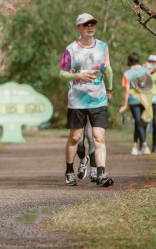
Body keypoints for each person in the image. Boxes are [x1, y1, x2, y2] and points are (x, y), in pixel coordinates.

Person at [59, 13, 114, 187]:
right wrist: (77, 75)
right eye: (86, 25)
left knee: (99, 137)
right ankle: (69, 171)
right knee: (75, 137)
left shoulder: (103, 46)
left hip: (98, 99)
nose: (90, 27)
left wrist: (110, 89)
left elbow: (108, 69)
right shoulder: (71, 49)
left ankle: (101, 174)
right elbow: (62, 73)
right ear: (78, 28)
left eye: (92, 24)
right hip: (77, 100)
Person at [119, 53, 153, 155]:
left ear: (129, 61)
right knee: (139, 122)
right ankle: (141, 145)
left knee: (138, 122)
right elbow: (150, 77)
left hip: (133, 99)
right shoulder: (145, 70)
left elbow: (126, 90)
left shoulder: (127, 74)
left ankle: (139, 145)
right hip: (144, 99)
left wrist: (125, 105)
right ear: (138, 60)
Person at [145, 55, 156, 153]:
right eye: (150, 62)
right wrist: (148, 71)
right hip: (146, 100)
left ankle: (154, 145)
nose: (152, 64)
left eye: (153, 62)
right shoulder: (145, 72)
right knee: (143, 123)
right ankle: (142, 144)